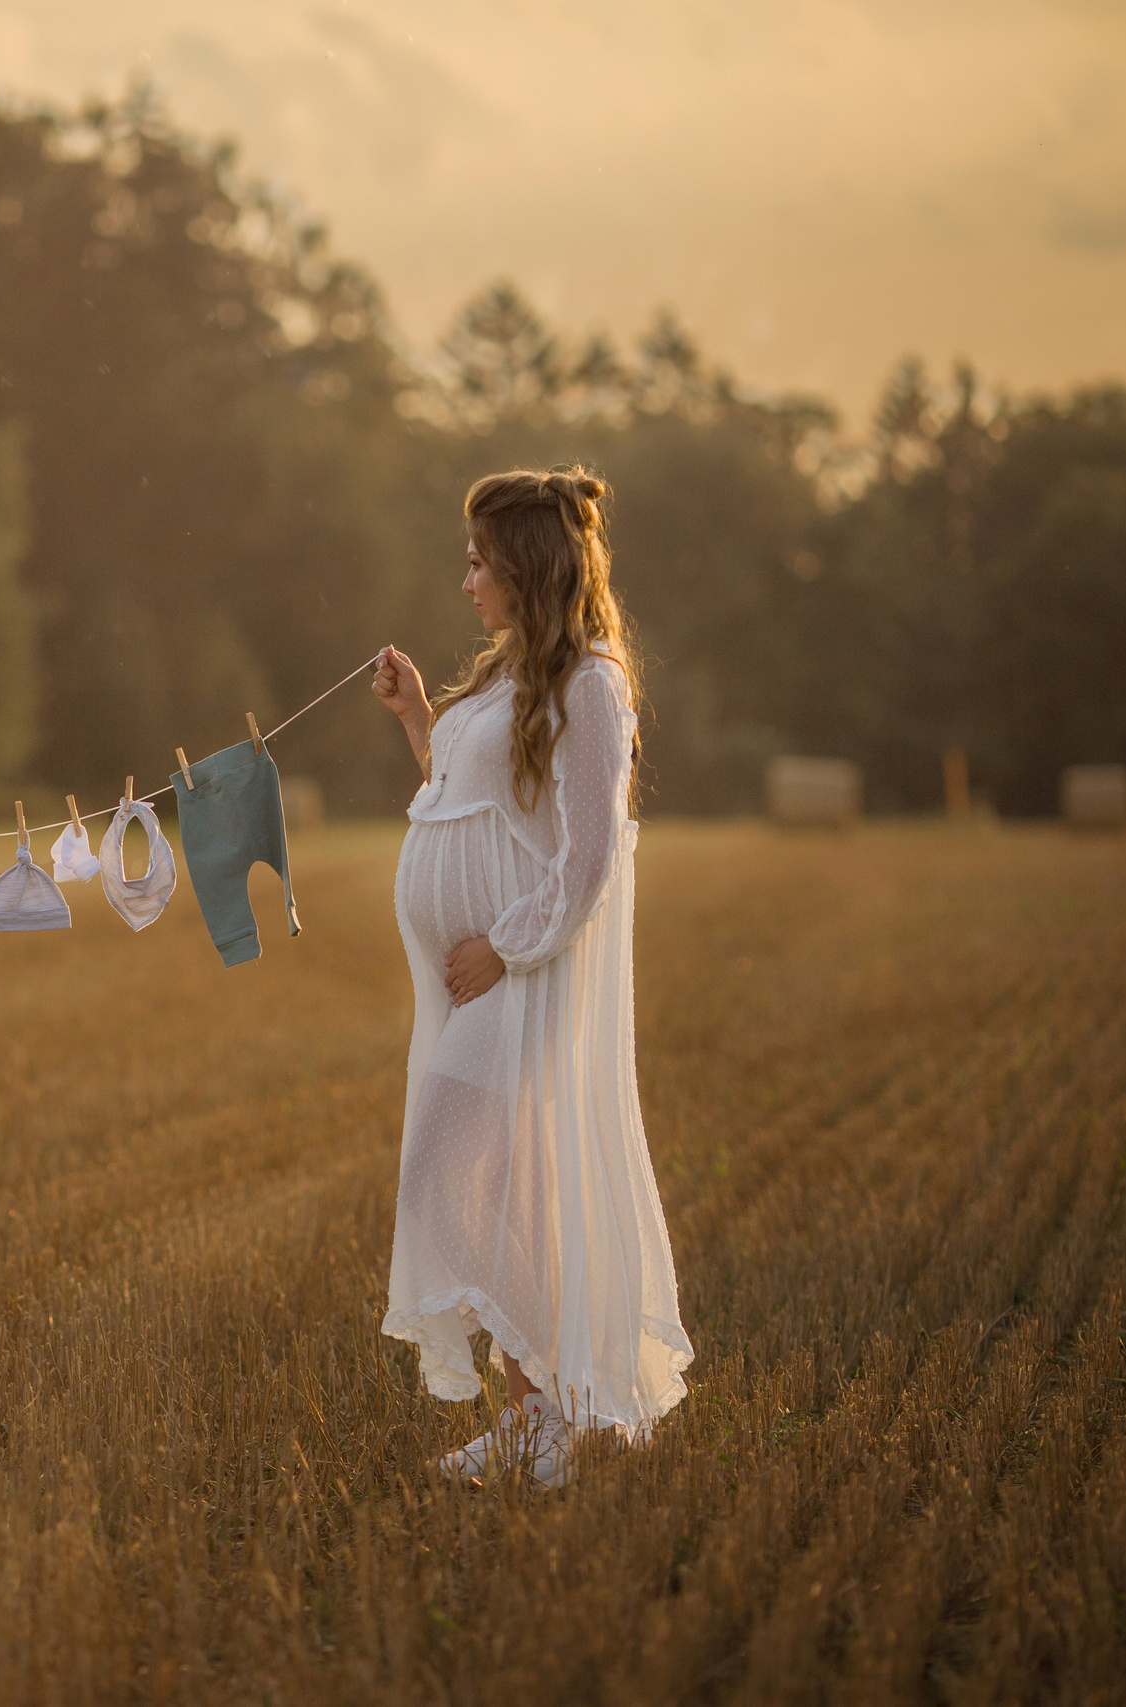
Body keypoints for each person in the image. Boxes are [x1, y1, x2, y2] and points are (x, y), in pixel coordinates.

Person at [368, 467, 692, 1489]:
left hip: (521, 978)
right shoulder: (503, 683)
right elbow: (467, 805)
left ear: (522, 566)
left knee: (442, 1183)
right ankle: (541, 1417)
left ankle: (555, 1399)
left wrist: (504, 945)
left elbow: (589, 855)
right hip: (482, 982)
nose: (465, 583)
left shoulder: (589, 682)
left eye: (477, 563)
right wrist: (420, 720)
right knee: (504, 1188)